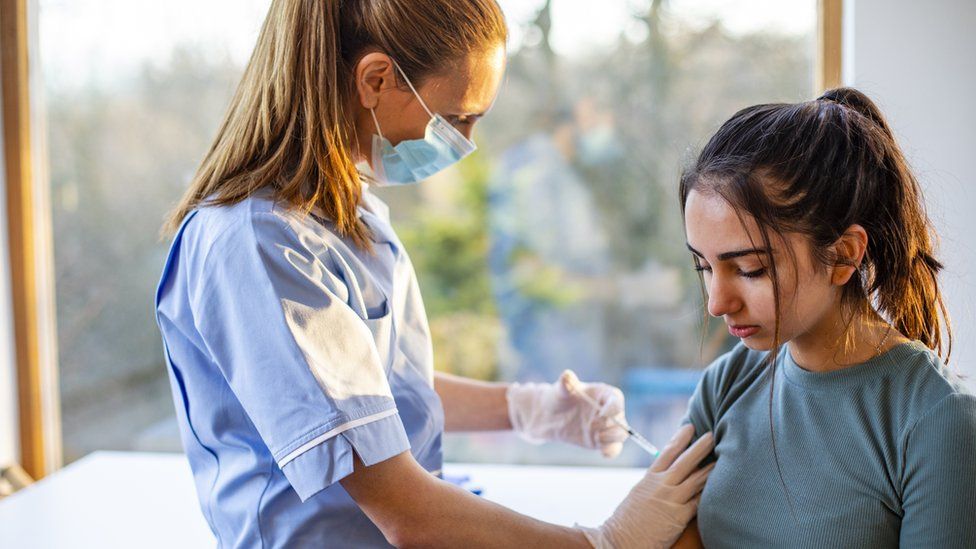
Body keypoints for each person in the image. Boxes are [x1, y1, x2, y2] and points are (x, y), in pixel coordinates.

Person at [154, 1, 713, 547]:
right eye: (456, 119)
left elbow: (372, 398)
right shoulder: (257, 243)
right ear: (374, 80)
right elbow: (407, 514)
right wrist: (602, 542)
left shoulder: (351, 212)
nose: (467, 144)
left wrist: (527, 408)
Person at [675, 87, 976, 547]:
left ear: (842, 255)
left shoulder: (936, 420)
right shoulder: (725, 386)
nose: (717, 302)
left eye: (750, 269)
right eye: (705, 266)